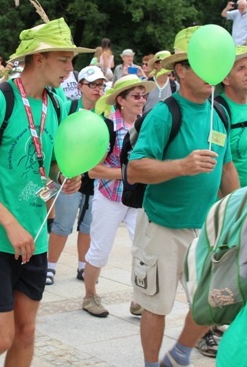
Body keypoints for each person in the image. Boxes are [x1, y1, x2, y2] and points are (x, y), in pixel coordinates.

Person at [0, 17, 89, 367]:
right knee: (0, 336)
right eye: (64, 59)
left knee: (26, 332)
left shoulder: (59, 103)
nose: (69, 68)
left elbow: (47, 166)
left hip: (35, 235)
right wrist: (9, 224)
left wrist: (65, 177)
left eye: (72, 60)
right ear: (39, 58)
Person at [127, 26, 240, 367]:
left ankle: (178, 354)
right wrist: (182, 166)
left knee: (214, 301)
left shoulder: (219, 113)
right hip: (162, 224)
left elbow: (228, 169)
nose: (213, 73)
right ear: (181, 70)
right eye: (203, 64)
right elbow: (136, 169)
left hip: (206, 229)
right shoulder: (164, 113)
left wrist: (240, 214)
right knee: (155, 305)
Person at [82, 75, 155, 318]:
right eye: (136, 96)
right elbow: (94, 170)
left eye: (144, 95)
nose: (142, 100)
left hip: (137, 199)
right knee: (100, 249)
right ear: (120, 100)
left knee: (144, 250)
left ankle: (139, 299)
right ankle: (90, 295)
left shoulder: (147, 125)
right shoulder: (107, 127)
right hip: (108, 196)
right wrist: (129, 174)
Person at [46, 65, 106, 286]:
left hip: (94, 177)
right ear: (80, 86)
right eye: (92, 85)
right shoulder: (67, 107)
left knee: (88, 224)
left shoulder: (104, 113)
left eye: (101, 85)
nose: (97, 89)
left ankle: (83, 265)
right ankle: (50, 266)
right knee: (63, 223)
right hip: (68, 174)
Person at [217, 45, 247, 187]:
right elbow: (216, 165)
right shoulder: (218, 111)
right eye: (240, 68)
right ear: (225, 79)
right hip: (234, 201)